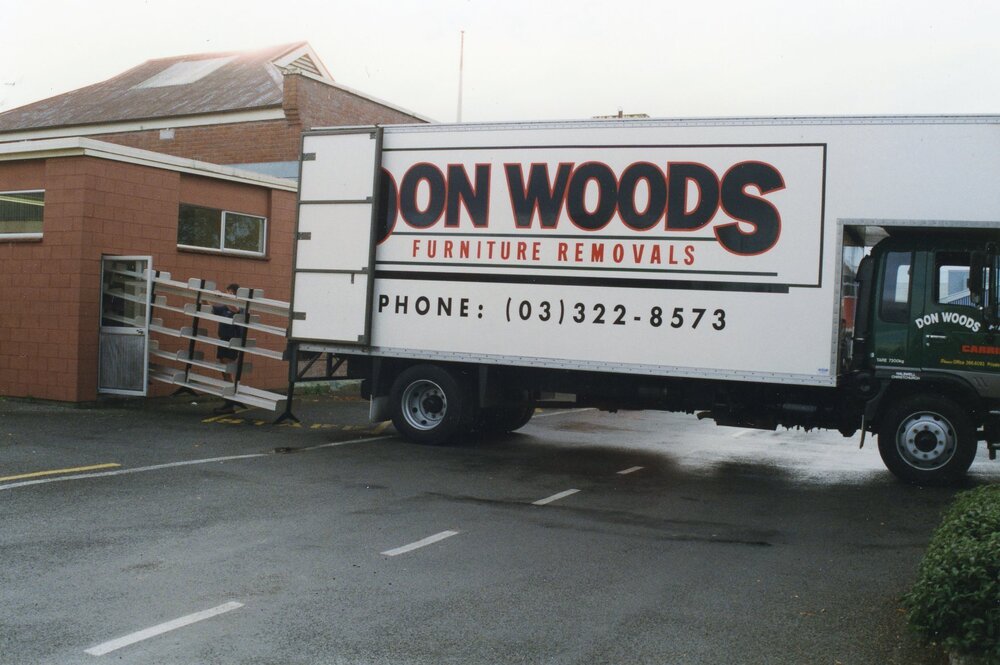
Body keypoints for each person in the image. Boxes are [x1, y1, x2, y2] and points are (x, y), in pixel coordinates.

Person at [212, 283, 242, 415]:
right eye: (227, 292)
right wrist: (207, 296)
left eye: (229, 292)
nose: (227, 294)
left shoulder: (240, 306)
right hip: (223, 340)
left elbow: (236, 309)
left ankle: (230, 400)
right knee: (223, 370)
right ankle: (229, 399)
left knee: (227, 368)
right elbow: (212, 307)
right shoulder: (224, 307)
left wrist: (224, 298)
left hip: (232, 342)